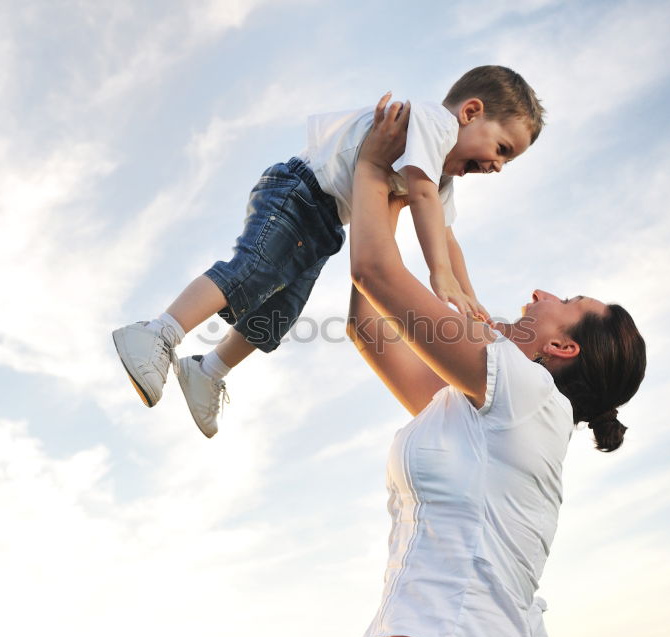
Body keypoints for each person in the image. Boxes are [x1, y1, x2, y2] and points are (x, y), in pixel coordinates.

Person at [347, 96, 647, 637]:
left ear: (562, 346)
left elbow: (376, 272)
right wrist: (391, 187)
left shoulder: (526, 393)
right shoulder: (482, 406)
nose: (540, 293)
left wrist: (367, 167)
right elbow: (369, 326)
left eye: (566, 300)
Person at [112, 66, 544, 437]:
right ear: (471, 112)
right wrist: (440, 279)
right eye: (502, 149)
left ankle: (207, 370)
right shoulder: (434, 124)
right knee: (255, 270)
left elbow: (447, 236)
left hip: (325, 218)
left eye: (509, 161)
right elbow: (423, 201)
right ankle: (158, 332)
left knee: (281, 310)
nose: (498, 166)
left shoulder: (441, 175)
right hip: (299, 191)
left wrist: (470, 302)